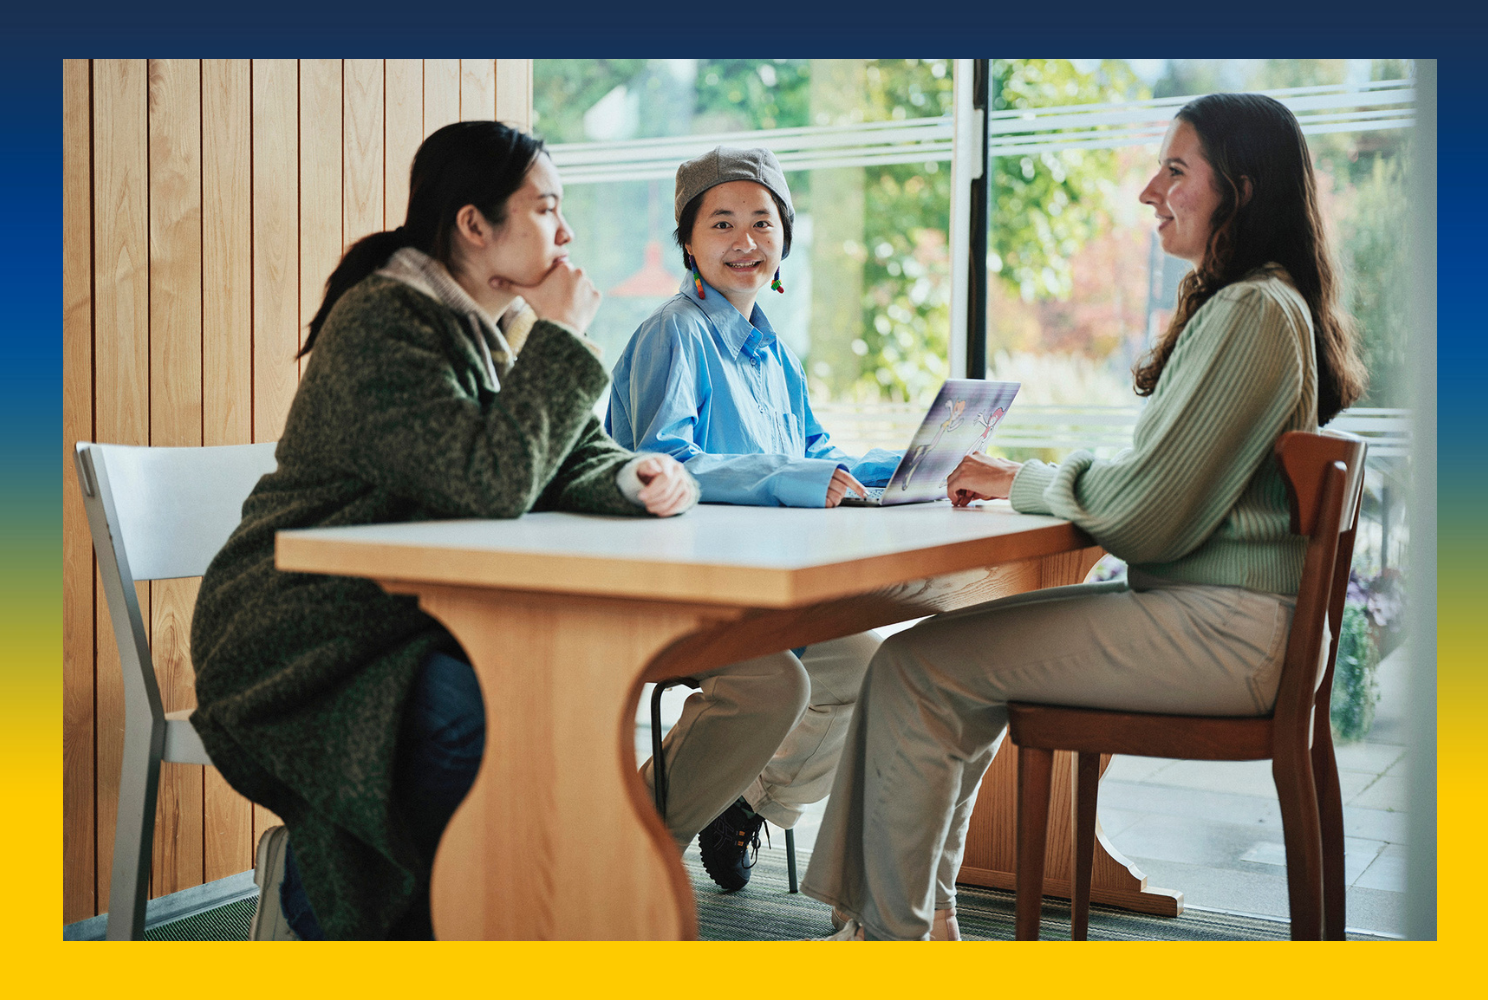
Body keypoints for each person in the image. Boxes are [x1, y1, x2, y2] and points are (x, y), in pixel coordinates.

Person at [801, 92, 1367, 940]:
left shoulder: (1252, 311)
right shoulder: (1268, 305)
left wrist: (1021, 479)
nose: (1149, 191)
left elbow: (1145, 516)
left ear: (1241, 189)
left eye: (1175, 170)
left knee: (917, 670)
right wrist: (1032, 480)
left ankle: (888, 941)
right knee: (932, 663)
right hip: (1232, 621)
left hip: (1225, 632)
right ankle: (923, 920)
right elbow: (1161, 484)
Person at [189, 121, 697, 940]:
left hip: (398, 625)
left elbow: (562, 457)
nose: (566, 233)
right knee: (493, 726)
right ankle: (344, 892)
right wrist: (563, 337)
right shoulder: (383, 321)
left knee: (548, 711)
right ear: (473, 224)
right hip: (300, 642)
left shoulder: (492, 330)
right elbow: (489, 483)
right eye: (546, 209)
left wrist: (638, 478)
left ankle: (462, 911)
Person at [606, 146, 901, 891]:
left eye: (763, 223)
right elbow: (666, 465)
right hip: (679, 592)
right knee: (776, 685)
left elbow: (818, 455)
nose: (746, 241)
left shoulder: (775, 354)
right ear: (688, 241)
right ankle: (624, 856)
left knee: (869, 668)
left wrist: (914, 466)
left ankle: (741, 804)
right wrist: (799, 479)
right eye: (722, 223)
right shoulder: (673, 333)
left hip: (762, 595)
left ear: (784, 238)